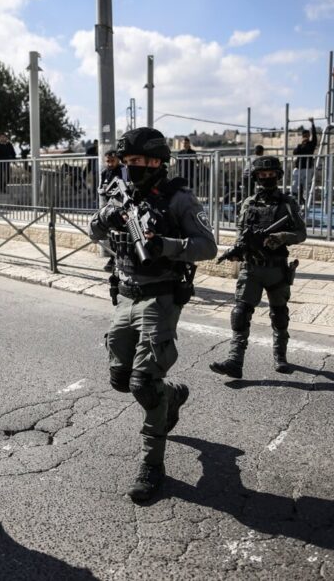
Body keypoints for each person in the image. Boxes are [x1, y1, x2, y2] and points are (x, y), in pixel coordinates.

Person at [88, 127, 217, 503]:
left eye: (144, 162)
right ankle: (172, 397)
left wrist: (166, 245)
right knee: (119, 378)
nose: (136, 168)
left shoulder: (179, 198)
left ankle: (152, 465)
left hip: (160, 297)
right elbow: (94, 229)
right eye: (130, 162)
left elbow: (207, 246)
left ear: (160, 162)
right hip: (124, 294)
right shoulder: (116, 190)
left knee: (143, 382)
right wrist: (107, 217)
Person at [210, 156, 307, 379]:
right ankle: (235, 361)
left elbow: (301, 234)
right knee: (240, 313)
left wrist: (282, 237)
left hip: (276, 269)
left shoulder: (287, 203)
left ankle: (280, 356)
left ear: (278, 176)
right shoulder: (248, 203)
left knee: (279, 315)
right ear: (255, 178)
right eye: (262, 175)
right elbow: (240, 232)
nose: (266, 178)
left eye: (271, 175)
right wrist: (239, 249)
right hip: (251, 268)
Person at [97, 149, 124, 271]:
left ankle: (118, 259)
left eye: (112, 161)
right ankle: (114, 258)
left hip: (122, 208)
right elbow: (99, 188)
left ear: (117, 159)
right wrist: (102, 191)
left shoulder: (123, 170)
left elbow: (128, 185)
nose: (110, 164)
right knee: (112, 235)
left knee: (121, 234)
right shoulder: (104, 172)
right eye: (108, 161)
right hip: (109, 208)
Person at [292, 119, 318, 204]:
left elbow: (315, 136)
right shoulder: (300, 146)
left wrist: (313, 124)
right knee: (295, 185)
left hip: (307, 168)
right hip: (298, 168)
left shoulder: (312, 144)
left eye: (307, 136)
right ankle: (294, 199)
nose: (306, 137)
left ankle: (306, 202)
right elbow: (295, 153)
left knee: (307, 186)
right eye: (304, 136)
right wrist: (301, 144)